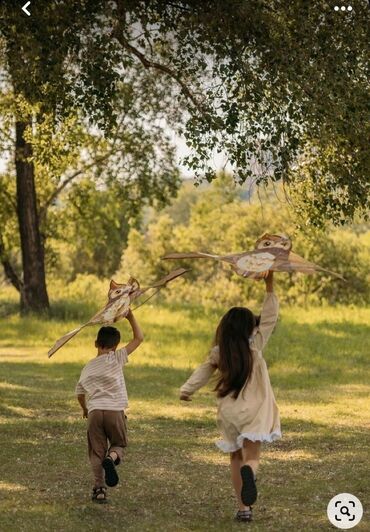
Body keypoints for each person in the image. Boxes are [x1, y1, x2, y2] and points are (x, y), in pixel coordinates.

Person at [180, 271, 281, 522]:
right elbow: (269, 317)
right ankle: (251, 471)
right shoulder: (255, 346)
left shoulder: (219, 352)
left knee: (235, 456)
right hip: (255, 412)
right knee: (252, 457)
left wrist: (187, 389)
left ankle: (243, 509)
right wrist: (269, 283)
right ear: (250, 328)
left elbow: (203, 371)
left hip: (230, 413)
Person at [76, 310, 144, 503]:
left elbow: (79, 393)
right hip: (115, 411)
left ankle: (99, 489)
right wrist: (130, 317)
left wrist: (85, 409)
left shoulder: (88, 367)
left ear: (96, 344)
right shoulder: (117, 358)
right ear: (115, 346)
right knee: (119, 444)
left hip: (95, 412)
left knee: (96, 451)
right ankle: (111, 459)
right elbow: (139, 338)